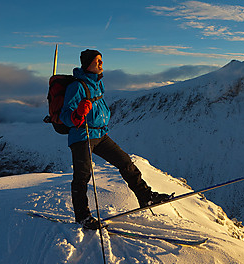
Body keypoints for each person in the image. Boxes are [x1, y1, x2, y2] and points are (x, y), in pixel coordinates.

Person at [60, 49, 172, 230]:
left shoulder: (97, 84)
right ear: (88, 63)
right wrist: (78, 114)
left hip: (100, 134)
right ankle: (82, 216)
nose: (101, 64)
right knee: (82, 176)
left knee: (125, 162)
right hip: (82, 135)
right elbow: (65, 115)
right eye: (97, 61)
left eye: (101, 61)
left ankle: (146, 197)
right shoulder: (77, 86)